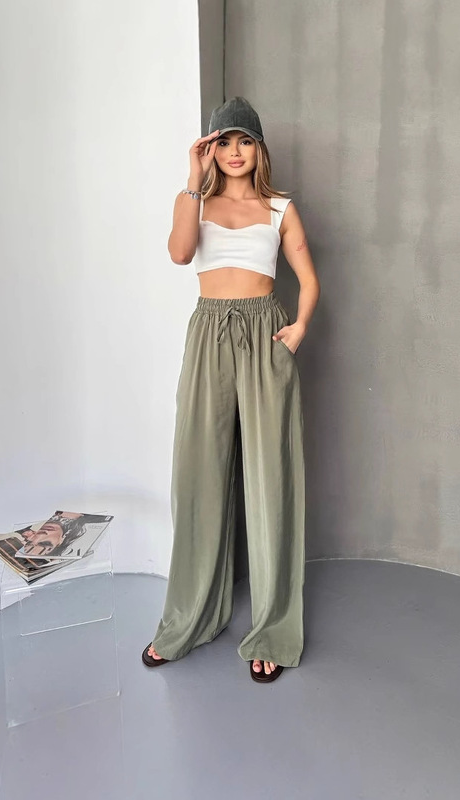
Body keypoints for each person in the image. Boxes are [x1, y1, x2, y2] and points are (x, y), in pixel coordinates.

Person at [142, 97, 320, 683]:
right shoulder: (194, 200)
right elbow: (179, 254)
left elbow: (308, 278)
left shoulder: (280, 207)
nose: (235, 152)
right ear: (210, 149)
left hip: (265, 331)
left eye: (245, 141)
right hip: (209, 333)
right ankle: (190, 618)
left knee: (270, 477)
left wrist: (297, 330)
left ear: (259, 148)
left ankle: (272, 628)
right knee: (199, 470)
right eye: (224, 142)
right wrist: (192, 181)